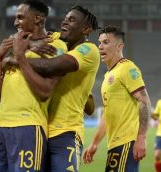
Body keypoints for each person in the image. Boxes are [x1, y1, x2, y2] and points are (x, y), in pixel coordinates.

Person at [0, 1, 67, 171]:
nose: (15, 22)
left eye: (20, 17)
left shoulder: (55, 47)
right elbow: (0, 96)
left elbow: (45, 91)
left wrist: (19, 57)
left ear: (38, 19)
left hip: (28, 127)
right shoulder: (16, 47)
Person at [11, 5, 99, 171]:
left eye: (72, 20)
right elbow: (30, 36)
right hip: (40, 131)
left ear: (86, 29)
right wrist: (31, 45)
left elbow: (51, 66)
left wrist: (18, 60)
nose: (65, 23)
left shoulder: (89, 50)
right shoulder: (58, 39)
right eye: (65, 19)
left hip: (65, 132)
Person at [83, 25, 151, 172]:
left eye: (106, 42)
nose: (100, 46)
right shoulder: (109, 75)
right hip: (115, 144)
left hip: (127, 142)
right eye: (99, 43)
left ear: (119, 46)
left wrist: (141, 138)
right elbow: (108, 114)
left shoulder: (127, 68)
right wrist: (94, 143)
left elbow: (144, 101)